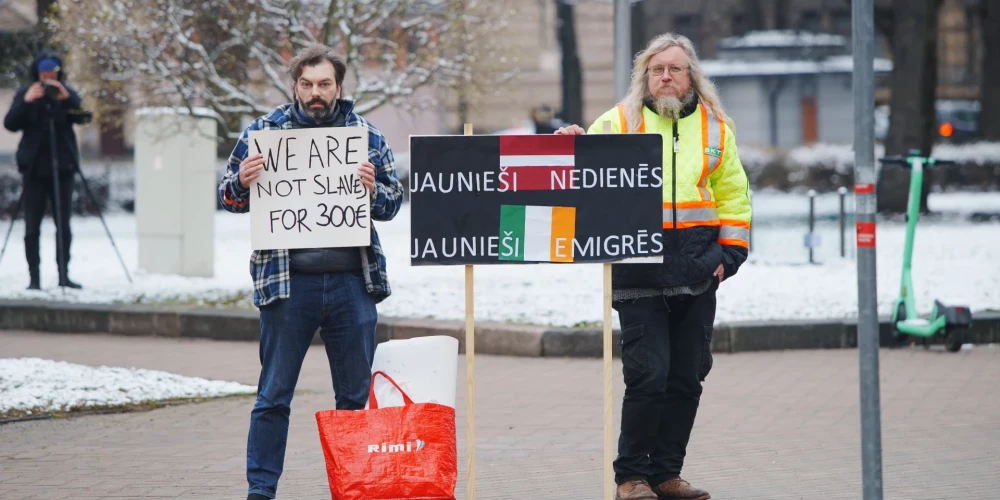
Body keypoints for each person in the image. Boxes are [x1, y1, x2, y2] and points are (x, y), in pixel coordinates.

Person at [556, 33, 752, 500]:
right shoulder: (618, 120)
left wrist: (730, 258)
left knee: (687, 375)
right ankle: (631, 478)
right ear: (645, 76)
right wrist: (572, 144)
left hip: (697, 269)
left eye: (675, 68)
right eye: (656, 68)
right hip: (637, 266)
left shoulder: (716, 126)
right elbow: (581, 175)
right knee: (649, 375)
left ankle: (666, 474)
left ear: (691, 77)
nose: (665, 76)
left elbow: (733, 194)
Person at [217, 44, 403, 500]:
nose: (315, 93)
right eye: (307, 84)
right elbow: (227, 196)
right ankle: (261, 490)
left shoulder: (365, 135)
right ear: (294, 85)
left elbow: (394, 202)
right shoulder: (263, 132)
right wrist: (242, 181)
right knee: (273, 395)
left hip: (351, 285)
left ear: (339, 86)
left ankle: (353, 488)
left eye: (324, 84)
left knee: (353, 399)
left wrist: (371, 187)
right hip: (287, 285)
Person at [3, 51, 88, 290]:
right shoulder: (25, 95)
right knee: (32, 226)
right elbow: (10, 124)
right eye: (44, 74)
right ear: (37, 74)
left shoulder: (66, 94)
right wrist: (26, 101)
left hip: (63, 168)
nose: (48, 78)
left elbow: (83, 117)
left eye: (53, 74)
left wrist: (67, 99)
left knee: (64, 225)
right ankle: (34, 278)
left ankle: (64, 275)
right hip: (34, 170)